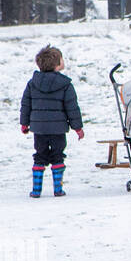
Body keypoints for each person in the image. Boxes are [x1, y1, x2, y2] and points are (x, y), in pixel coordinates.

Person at [20, 45, 84, 198]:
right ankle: (58, 188)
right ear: (57, 64)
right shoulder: (65, 84)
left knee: (40, 155)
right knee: (57, 155)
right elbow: (72, 108)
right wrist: (78, 128)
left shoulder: (32, 83)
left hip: (39, 129)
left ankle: (36, 190)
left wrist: (24, 123)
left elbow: (26, 105)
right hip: (58, 129)